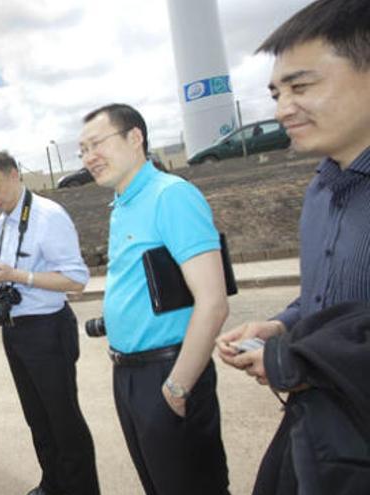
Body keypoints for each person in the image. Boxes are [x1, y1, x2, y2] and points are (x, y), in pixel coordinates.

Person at [215, 1, 370, 492]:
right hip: (322, 432)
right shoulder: (321, 190)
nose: (282, 109)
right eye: (277, 92)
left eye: (301, 87)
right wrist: (282, 324)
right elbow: (323, 299)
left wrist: (300, 361)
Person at [80, 103, 230, 495]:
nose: (88, 157)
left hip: (169, 371)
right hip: (128, 373)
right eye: (81, 150)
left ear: (135, 137)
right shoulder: (123, 204)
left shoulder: (171, 196)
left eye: (96, 143)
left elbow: (213, 302)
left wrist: (177, 386)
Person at [0, 151, 99, 495]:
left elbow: (76, 279)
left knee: (63, 420)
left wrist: (19, 275)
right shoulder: (1, 224)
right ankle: (53, 484)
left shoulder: (48, 215)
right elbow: (6, 272)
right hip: (15, 331)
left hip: (47, 330)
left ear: (14, 174)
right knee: (37, 418)